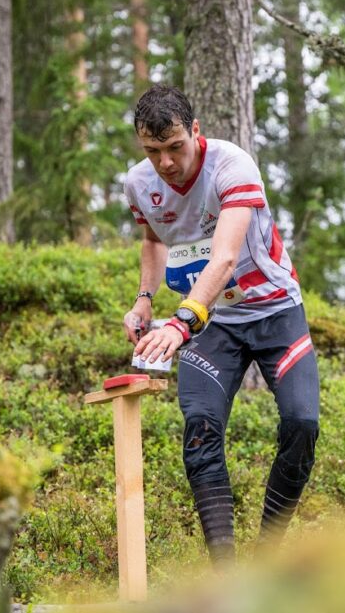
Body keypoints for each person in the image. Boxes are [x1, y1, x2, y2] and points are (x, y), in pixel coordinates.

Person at [122, 84, 320, 567]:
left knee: (302, 423)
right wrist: (146, 299)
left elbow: (226, 256)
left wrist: (181, 322)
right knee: (201, 429)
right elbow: (153, 239)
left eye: (175, 147)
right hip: (216, 328)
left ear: (195, 132)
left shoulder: (232, 165)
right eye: (153, 151)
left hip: (275, 312)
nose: (166, 162)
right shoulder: (137, 182)